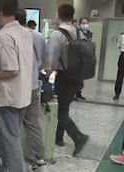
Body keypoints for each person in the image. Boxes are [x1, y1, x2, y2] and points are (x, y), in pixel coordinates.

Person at [0, 0, 33, 172]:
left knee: (11, 139)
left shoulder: (4, 36)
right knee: (7, 135)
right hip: (23, 94)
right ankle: (2, 167)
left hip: (8, 96)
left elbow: (11, 69)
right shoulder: (25, 32)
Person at [48, 4, 89, 155]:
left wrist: (46, 75)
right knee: (64, 107)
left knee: (61, 111)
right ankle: (58, 138)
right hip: (78, 76)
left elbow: (51, 60)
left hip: (64, 77)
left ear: (58, 14)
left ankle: (78, 137)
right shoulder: (79, 32)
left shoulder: (57, 34)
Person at [16, 9, 49, 172]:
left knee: (10, 125)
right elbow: (46, 63)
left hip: (14, 87)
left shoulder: (11, 36)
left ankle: (8, 164)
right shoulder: (38, 36)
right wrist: (34, 71)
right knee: (33, 123)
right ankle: (40, 161)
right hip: (33, 86)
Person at [75, 17, 93, 101]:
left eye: (86, 23)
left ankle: (79, 93)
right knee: (76, 76)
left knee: (81, 77)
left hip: (85, 58)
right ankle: (75, 93)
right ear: (79, 24)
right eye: (83, 23)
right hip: (77, 57)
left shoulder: (89, 33)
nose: (85, 25)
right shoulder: (77, 33)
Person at [114, 32, 124, 101]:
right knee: (120, 76)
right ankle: (117, 93)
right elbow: (119, 46)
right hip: (123, 56)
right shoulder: (122, 36)